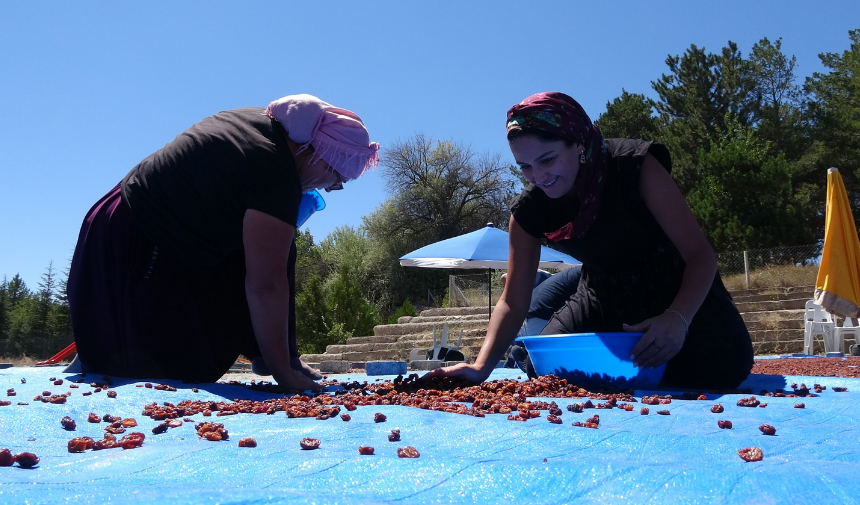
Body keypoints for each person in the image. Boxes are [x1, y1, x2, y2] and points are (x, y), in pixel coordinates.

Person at [432, 92, 753, 389]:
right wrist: (480, 367)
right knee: (543, 369)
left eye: (547, 159)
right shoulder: (529, 212)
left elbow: (700, 254)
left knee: (723, 369)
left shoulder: (635, 167)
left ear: (579, 143)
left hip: (678, 290)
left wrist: (677, 319)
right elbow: (513, 301)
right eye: (525, 166)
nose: (538, 177)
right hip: (603, 295)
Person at [67, 94, 379, 391]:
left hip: (152, 236)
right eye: (336, 178)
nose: (332, 187)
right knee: (177, 368)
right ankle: (108, 344)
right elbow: (265, 285)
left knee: (280, 245)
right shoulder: (275, 169)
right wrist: (284, 377)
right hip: (131, 241)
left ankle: (272, 356)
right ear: (315, 155)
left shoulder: (268, 125)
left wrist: (285, 359)